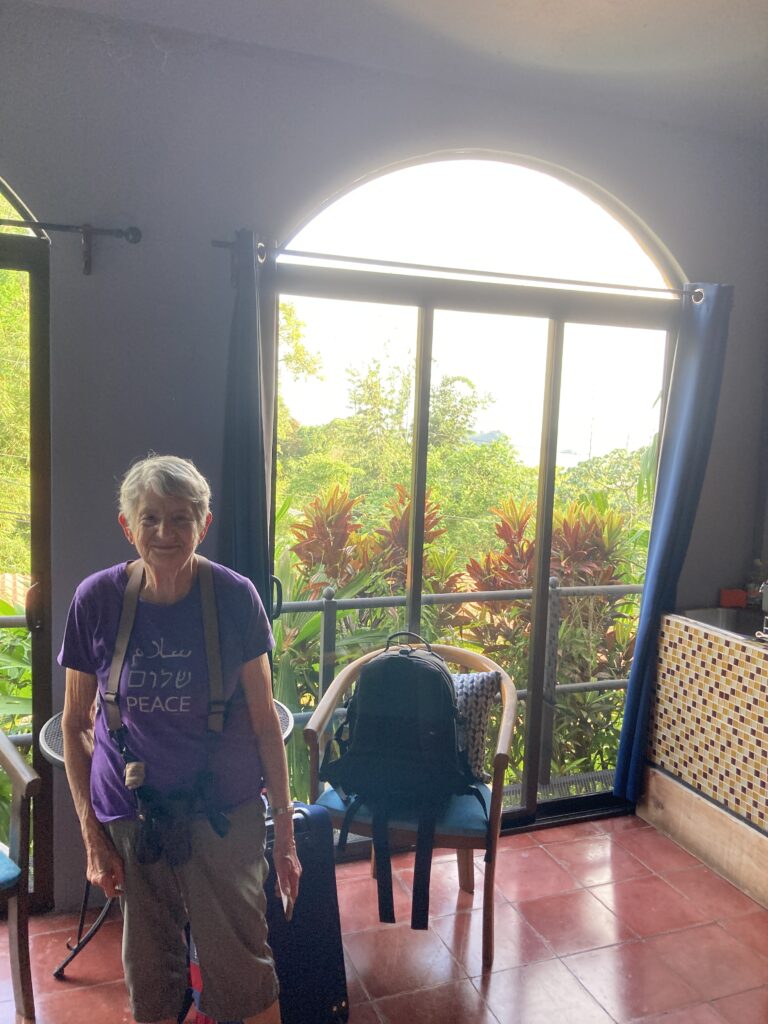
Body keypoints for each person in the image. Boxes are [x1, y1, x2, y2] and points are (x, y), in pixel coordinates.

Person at [60, 454, 301, 1024]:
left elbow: (265, 722)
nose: (165, 532)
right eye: (150, 518)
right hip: (132, 816)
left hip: (223, 814)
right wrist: (92, 836)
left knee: (243, 969)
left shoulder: (235, 597)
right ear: (128, 526)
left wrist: (286, 832)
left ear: (204, 524)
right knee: (150, 974)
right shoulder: (96, 600)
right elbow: (74, 725)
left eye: (180, 518)